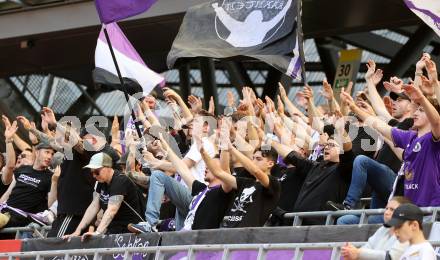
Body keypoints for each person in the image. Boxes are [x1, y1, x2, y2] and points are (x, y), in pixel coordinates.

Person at [129, 134, 232, 232]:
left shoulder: (222, 192)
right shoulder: (200, 189)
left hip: (200, 242)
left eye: (211, 165)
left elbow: (226, 169)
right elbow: (182, 169)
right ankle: (151, 225)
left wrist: (225, 140)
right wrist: (165, 146)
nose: (206, 166)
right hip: (184, 237)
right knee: (158, 175)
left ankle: (152, 225)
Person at [270, 117, 354, 225]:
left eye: (332, 145)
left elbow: (348, 150)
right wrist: (269, 141)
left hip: (319, 224)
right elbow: (292, 155)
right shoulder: (315, 166)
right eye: (327, 145)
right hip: (297, 222)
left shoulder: (344, 169)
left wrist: (341, 131)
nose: (327, 148)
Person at [63, 152, 144, 238]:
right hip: (115, 228)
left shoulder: (120, 181)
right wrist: (77, 231)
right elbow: (93, 207)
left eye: (97, 172)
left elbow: (112, 210)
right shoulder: (101, 182)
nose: (94, 176)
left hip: (131, 229)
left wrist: (98, 232)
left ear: (108, 167)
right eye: (92, 173)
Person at [0, 140, 56, 228]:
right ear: (37, 153)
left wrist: (55, 182)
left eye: (52, 154)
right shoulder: (23, 169)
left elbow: (50, 205)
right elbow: (8, 192)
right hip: (5, 211)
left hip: (21, 217)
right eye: (47, 152)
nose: (49, 156)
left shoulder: (51, 177)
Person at [341, 196, 411, 260]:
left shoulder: (407, 233)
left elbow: (391, 257)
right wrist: (353, 253)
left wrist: (358, 253)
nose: (386, 212)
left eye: (392, 209)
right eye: (386, 208)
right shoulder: (382, 229)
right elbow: (367, 247)